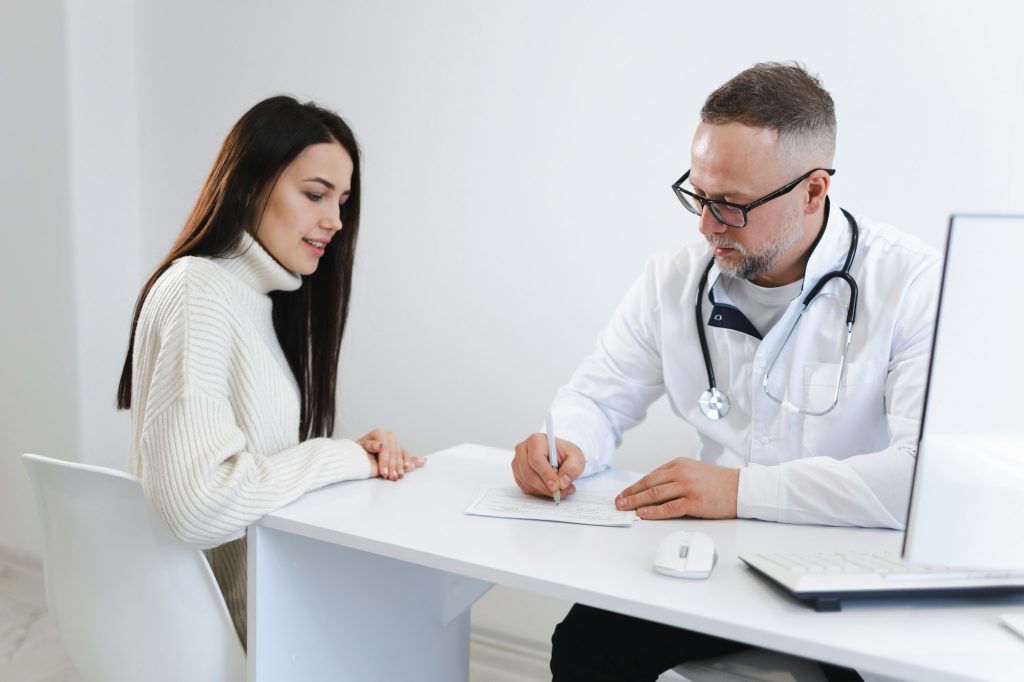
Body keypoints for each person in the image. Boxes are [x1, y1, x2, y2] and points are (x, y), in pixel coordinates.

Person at [511, 63, 940, 680]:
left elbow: (923, 477)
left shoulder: (912, 283)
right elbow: (598, 399)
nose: (707, 224)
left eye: (732, 205)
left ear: (813, 190)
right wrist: (565, 444)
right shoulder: (674, 278)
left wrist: (738, 491)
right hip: (720, 560)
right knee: (587, 641)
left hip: (848, 568)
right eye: (699, 195)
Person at [117, 95, 424, 648]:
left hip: (256, 616)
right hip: (236, 635)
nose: (334, 221)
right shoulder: (200, 290)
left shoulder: (252, 298)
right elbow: (198, 505)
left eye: (343, 201)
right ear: (250, 184)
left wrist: (352, 455)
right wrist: (338, 456)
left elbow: (247, 464)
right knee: (421, 619)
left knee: (418, 610)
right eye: (314, 194)